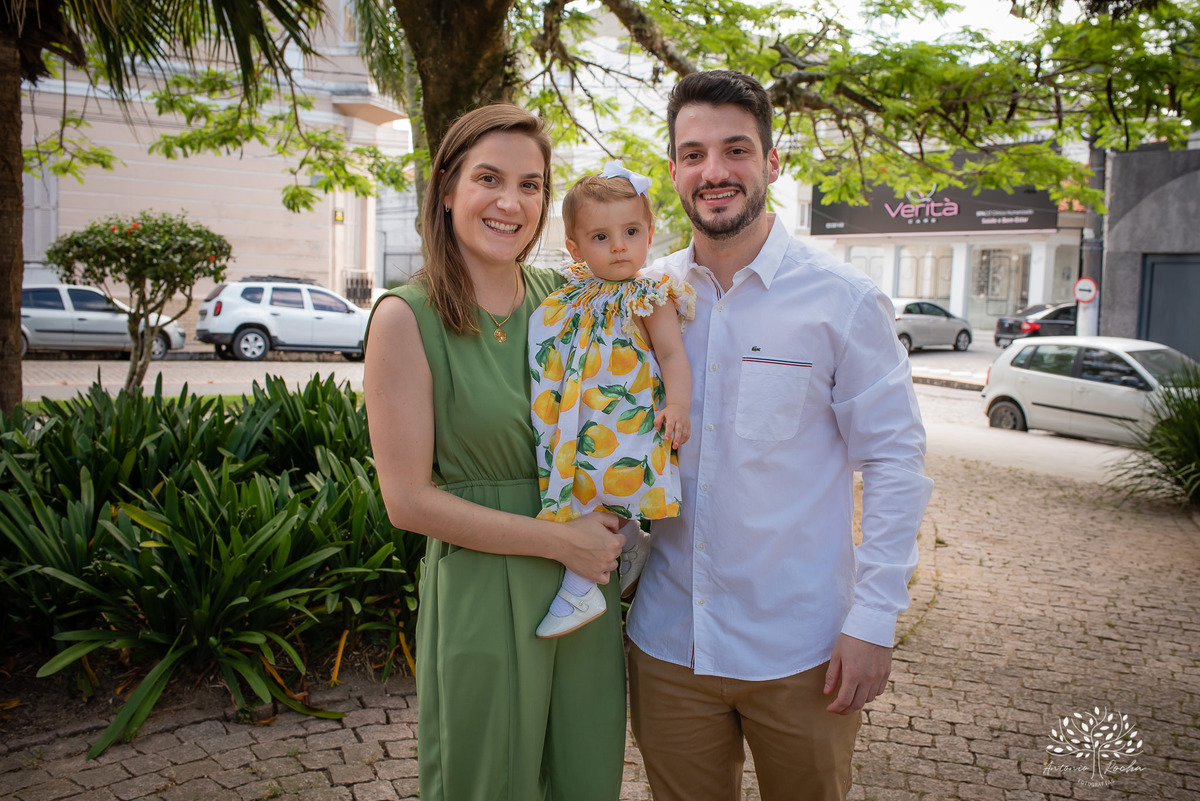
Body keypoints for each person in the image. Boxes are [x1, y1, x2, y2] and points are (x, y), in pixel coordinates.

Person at [625, 70, 934, 801]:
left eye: (736, 150)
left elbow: (894, 462)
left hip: (805, 651)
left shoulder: (843, 302)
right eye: (693, 153)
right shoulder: (643, 299)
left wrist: (874, 619)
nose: (714, 171)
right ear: (673, 170)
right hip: (670, 645)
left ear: (771, 162)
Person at [363, 104, 627, 801]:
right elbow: (407, 500)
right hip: (486, 581)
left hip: (582, 586)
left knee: (585, 772)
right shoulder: (404, 316)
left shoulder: (571, 297)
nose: (512, 202)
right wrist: (558, 541)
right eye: (489, 178)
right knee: (490, 781)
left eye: (532, 185)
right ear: (447, 188)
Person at [528, 162, 694, 639]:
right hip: (584, 415)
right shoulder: (575, 293)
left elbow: (672, 354)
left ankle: (580, 588)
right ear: (575, 249)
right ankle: (629, 542)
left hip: (629, 415)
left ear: (649, 233)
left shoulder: (651, 294)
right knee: (579, 481)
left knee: (607, 485)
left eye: (630, 231)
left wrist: (678, 406)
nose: (619, 245)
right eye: (601, 237)